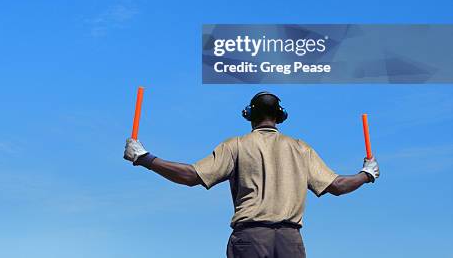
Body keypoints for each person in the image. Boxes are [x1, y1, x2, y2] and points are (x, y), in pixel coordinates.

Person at [123, 91, 379, 257]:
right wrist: (366, 174)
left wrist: (145, 158)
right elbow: (337, 186)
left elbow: (191, 176)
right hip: (291, 243)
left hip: (250, 240)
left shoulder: (236, 145)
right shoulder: (301, 148)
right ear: (279, 117)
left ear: (250, 116)